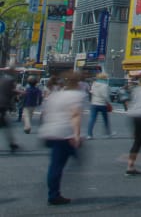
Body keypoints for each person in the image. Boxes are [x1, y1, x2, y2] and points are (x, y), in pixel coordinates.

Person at [38, 72, 86, 205]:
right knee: (57, 165)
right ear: (78, 83)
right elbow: (75, 115)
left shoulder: (56, 95)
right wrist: (76, 134)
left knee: (57, 163)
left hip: (50, 131)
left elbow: (45, 112)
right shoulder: (77, 95)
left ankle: (54, 192)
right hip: (64, 133)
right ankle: (54, 195)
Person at [87, 73, 113, 139]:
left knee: (92, 119)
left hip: (94, 103)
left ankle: (89, 134)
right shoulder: (105, 85)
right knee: (105, 119)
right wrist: (109, 103)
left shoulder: (94, 84)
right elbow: (105, 96)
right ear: (104, 78)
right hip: (102, 104)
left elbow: (91, 92)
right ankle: (107, 133)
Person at [0, 68, 20, 152]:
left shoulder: (4, 80)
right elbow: (11, 91)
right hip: (3, 105)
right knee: (6, 125)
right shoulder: (9, 80)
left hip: (2, 105)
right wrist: (19, 92)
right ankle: (12, 144)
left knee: (6, 125)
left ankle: (12, 143)